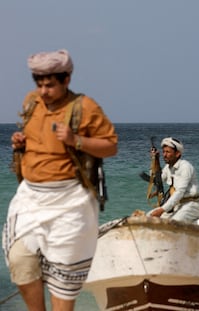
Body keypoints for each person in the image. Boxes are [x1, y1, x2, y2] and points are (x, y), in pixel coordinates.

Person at [2, 49, 118, 311]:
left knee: (63, 278)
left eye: (50, 85)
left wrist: (76, 140)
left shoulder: (84, 107)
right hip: (31, 197)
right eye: (40, 84)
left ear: (66, 80)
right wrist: (20, 143)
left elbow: (110, 147)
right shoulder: (32, 102)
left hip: (71, 201)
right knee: (19, 259)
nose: (44, 91)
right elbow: (36, 137)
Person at [148, 137, 199, 223]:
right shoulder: (168, 168)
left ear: (177, 154)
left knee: (173, 223)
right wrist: (155, 160)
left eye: (168, 152)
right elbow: (156, 181)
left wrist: (162, 209)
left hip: (191, 206)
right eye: (163, 152)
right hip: (176, 206)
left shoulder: (185, 167)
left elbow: (179, 192)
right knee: (148, 217)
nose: (164, 155)